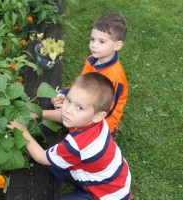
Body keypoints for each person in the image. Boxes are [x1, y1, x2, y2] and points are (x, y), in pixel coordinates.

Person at [7, 72, 132, 200]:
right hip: (104, 175)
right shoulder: (95, 121)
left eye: (80, 107)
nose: (68, 109)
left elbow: (41, 157)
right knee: (54, 164)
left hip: (107, 194)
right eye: (68, 100)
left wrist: (22, 131)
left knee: (48, 162)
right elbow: (63, 116)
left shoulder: (76, 144)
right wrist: (38, 113)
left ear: (98, 116)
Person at [52, 13, 128, 136]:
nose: (94, 45)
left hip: (102, 119)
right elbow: (83, 85)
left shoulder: (113, 78)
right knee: (55, 98)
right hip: (88, 104)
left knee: (77, 141)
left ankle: (109, 132)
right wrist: (65, 95)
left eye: (101, 41)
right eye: (92, 39)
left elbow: (106, 110)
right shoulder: (92, 59)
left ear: (117, 45)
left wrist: (81, 117)